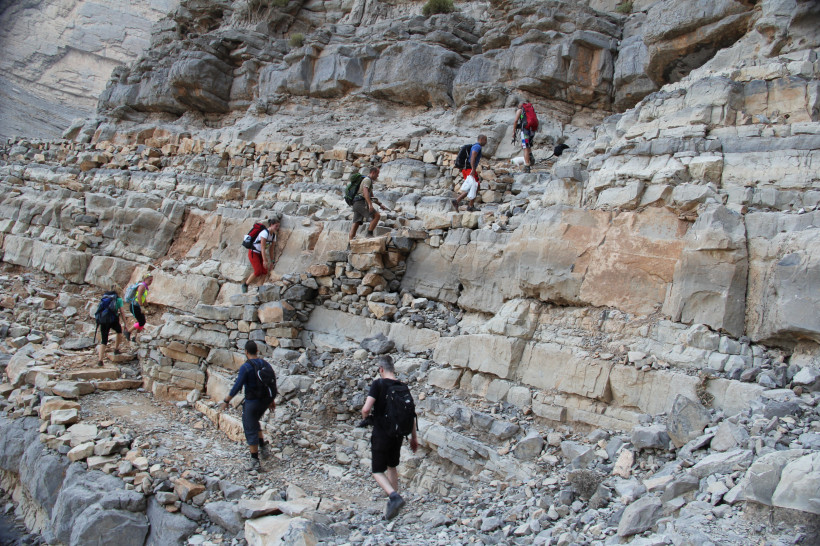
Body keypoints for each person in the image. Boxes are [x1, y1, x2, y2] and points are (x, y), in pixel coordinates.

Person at [360, 355, 418, 520]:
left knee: (377, 470)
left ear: (381, 369)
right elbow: (411, 413)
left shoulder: (378, 384)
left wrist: (365, 418)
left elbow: (366, 408)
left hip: (382, 433)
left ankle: (394, 497)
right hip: (398, 434)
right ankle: (394, 503)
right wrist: (414, 438)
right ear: (393, 369)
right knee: (392, 466)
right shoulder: (402, 386)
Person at [219, 341, 276, 471]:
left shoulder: (246, 367)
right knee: (255, 422)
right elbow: (272, 382)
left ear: (246, 352)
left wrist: (226, 400)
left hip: (252, 401)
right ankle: (263, 448)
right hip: (265, 401)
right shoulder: (265, 364)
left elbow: (237, 386)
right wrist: (271, 400)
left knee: (250, 427)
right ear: (257, 351)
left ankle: (255, 461)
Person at [242, 214, 280, 293]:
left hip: (260, 253)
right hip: (254, 252)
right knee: (258, 271)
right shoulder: (264, 233)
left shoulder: (273, 236)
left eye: (278, 226)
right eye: (276, 226)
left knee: (265, 271)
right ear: (271, 225)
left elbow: (271, 250)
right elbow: (262, 247)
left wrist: (272, 261)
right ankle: (245, 284)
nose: (277, 228)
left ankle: (260, 288)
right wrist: (264, 260)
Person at [452, 134, 487, 211]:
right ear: (481, 139)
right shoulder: (477, 147)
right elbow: (473, 157)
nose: (486, 142)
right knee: (475, 186)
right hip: (469, 169)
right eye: (485, 140)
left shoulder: (475, 146)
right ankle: (467, 205)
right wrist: (473, 169)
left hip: (466, 169)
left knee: (473, 186)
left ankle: (462, 202)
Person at [95, 289, 129, 367]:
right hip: (113, 320)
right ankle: (116, 349)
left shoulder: (104, 298)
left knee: (104, 340)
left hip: (103, 320)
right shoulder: (118, 299)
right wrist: (125, 323)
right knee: (119, 331)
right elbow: (122, 312)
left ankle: (100, 360)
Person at [349, 167, 385, 240]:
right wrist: (370, 205)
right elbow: (365, 193)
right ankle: (369, 234)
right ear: (373, 173)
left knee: (355, 224)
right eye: (377, 174)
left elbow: (372, 196)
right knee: (376, 216)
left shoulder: (369, 181)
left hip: (356, 204)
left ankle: (349, 245)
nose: (378, 176)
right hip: (361, 203)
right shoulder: (367, 180)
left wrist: (380, 204)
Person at [125, 273, 153, 338]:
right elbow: (139, 296)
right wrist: (141, 306)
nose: (151, 282)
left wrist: (146, 306)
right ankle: (129, 332)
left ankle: (135, 336)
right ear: (145, 279)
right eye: (150, 280)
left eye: (152, 280)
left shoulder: (145, 287)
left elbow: (143, 297)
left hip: (137, 306)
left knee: (142, 321)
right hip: (135, 306)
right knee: (142, 321)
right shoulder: (142, 286)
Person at [513, 102, 536, 172]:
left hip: (525, 131)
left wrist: (514, 131)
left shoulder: (520, 110)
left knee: (525, 148)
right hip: (532, 131)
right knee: (528, 146)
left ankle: (527, 166)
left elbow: (516, 121)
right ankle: (530, 156)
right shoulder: (530, 110)